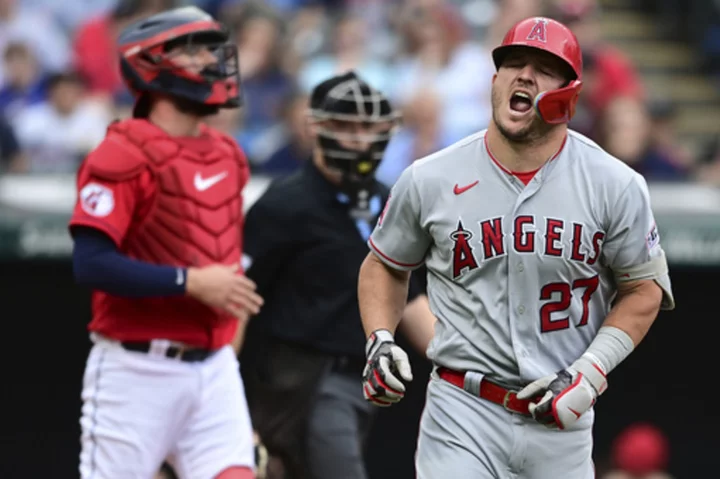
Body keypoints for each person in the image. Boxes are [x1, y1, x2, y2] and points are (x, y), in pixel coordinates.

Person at [357, 16, 675, 479]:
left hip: (560, 419)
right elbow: (385, 264)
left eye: (544, 68)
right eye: (513, 63)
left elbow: (643, 289)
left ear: (570, 92)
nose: (524, 75)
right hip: (461, 409)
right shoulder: (430, 177)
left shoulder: (615, 184)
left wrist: (590, 371)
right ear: (495, 80)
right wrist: (380, 338)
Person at [68, 6, 263, 479]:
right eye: (194, 50)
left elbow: (221, 261)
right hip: (136, 370)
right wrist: (189, 282)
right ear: (151, 63)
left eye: (210, 49)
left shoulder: (228, 154)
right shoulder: (122, 152)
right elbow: (91, 264)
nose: (212, 61)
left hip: (214, 368)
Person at [239, 71, 435, 479]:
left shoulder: (388, 199)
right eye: (348, 126)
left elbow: (410, 298)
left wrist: (471, 365)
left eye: (369, 127)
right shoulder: (283, 205)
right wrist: (228, 402)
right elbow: (238, 304)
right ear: (317, 128)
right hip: (298, 380)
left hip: (366, 380)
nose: (360, 139)